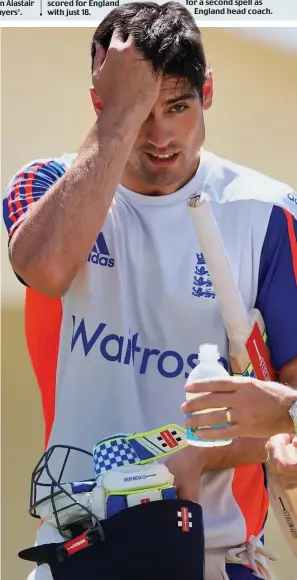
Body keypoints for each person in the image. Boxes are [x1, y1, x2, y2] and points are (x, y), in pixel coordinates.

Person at [2, 2, 297, 579]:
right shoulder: (44, 186)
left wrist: (250, 431)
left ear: (208, 91)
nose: (159, 136)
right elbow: (46, 269)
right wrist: (120, 113)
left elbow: (287, 411)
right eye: (141, 111)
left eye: (178, 106)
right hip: (75, 552)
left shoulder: (268, 213)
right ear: (100, 105)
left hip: (218, 557)